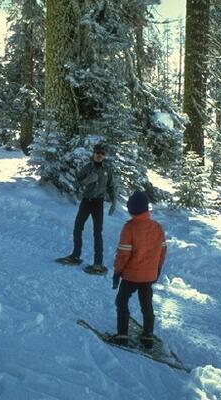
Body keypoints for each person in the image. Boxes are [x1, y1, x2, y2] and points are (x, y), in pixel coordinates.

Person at [112, 191, 167, 348]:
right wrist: (157, 269)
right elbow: (162, 251)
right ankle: (148, 335)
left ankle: (122, 335)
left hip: (131, 275)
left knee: (121, 301)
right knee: (146, 304)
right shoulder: (157, 227)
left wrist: (117, 272)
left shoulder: (129, 228)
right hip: (149, 275)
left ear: (131, 209)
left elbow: (123, 255)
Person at [58, 143, 117, 273]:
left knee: (97, 233)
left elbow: (111, 187)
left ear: (104, 156)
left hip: (98, 203)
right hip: (86, 201)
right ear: (93, 154)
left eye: (102, 153)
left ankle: (97, 263)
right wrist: (87, 181)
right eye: (97, 153)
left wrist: (114, 201)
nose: (99, 155)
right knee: (78, 227)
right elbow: (76, 184)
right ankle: (75, 255)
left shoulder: (107, 170)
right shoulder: (86, 168)